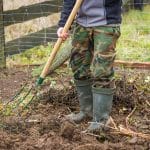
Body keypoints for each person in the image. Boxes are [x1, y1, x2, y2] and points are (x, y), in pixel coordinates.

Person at [57, 0, 122, 132]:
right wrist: (63, 24)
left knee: (102, 70)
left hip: (106, 24)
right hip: (82, 24)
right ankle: (87, 111)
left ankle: (101, 120)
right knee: (78, 65)